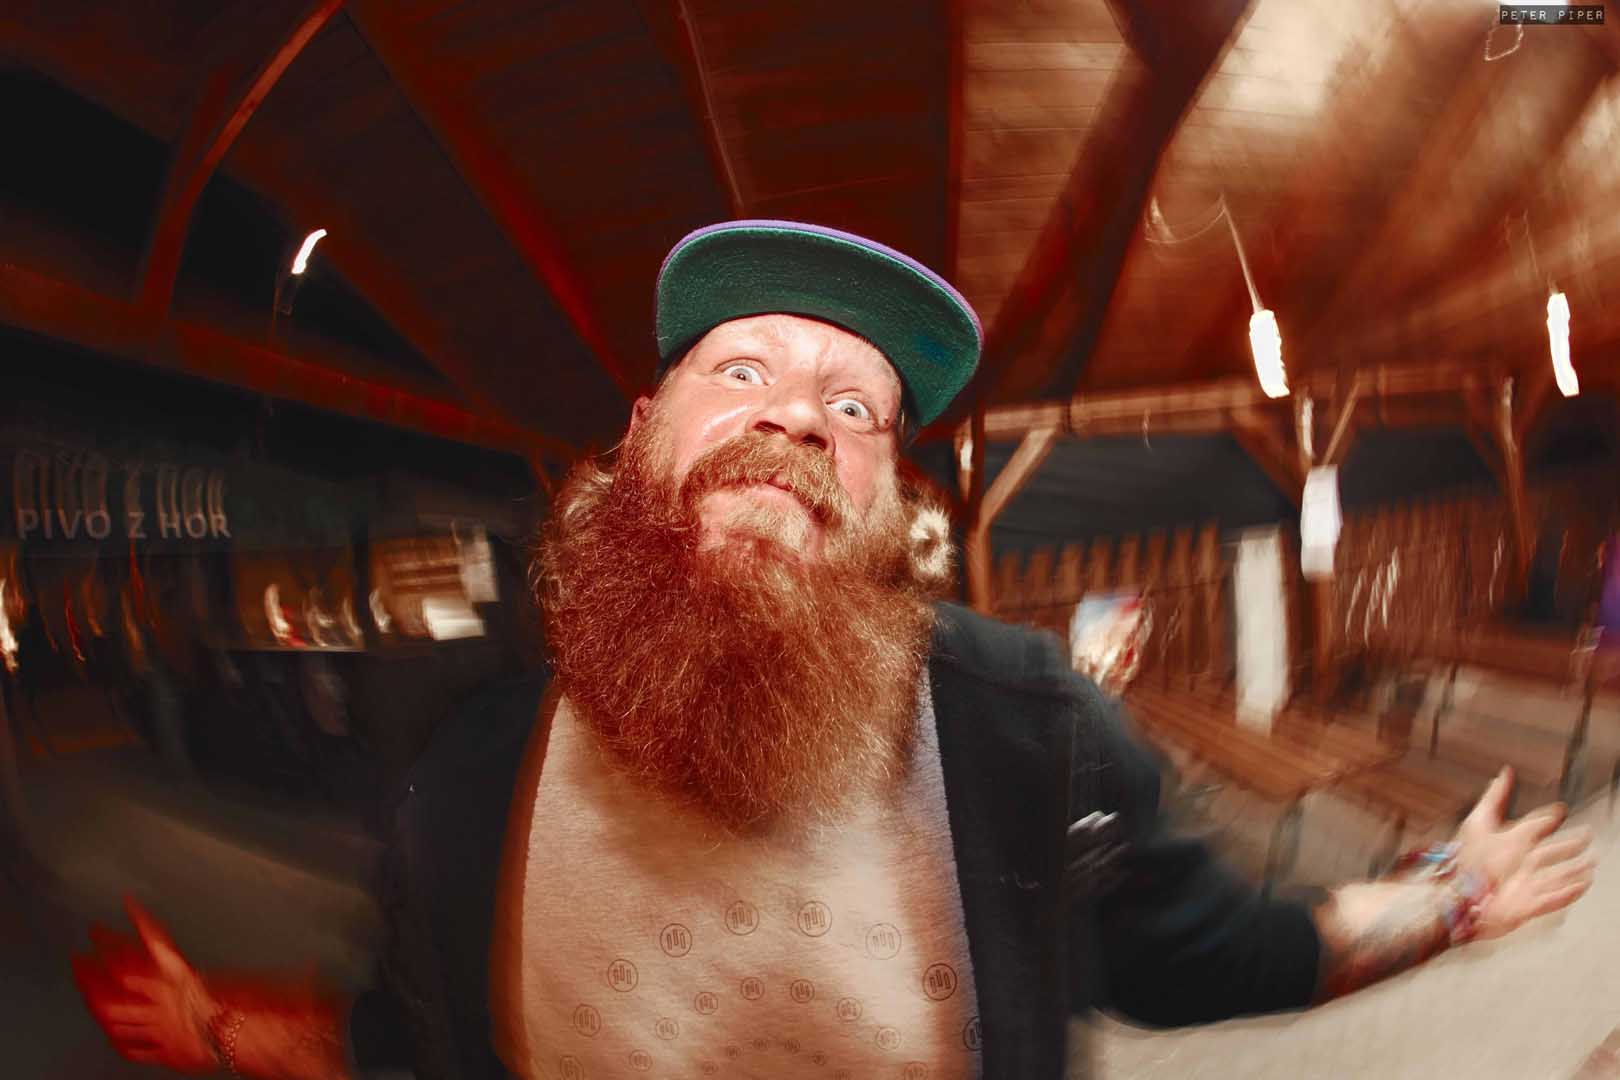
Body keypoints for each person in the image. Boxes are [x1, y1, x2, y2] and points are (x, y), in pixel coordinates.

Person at [74, 221, 1594, 1079]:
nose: (799, 415)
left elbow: (1215, 951)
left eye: (854, 406)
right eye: (740, 368)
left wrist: (1450, 901)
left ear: (885, 500)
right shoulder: (470, 775)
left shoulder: (1028, 733)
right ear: (638, 435)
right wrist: (221, 1028)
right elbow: (409, 1042)